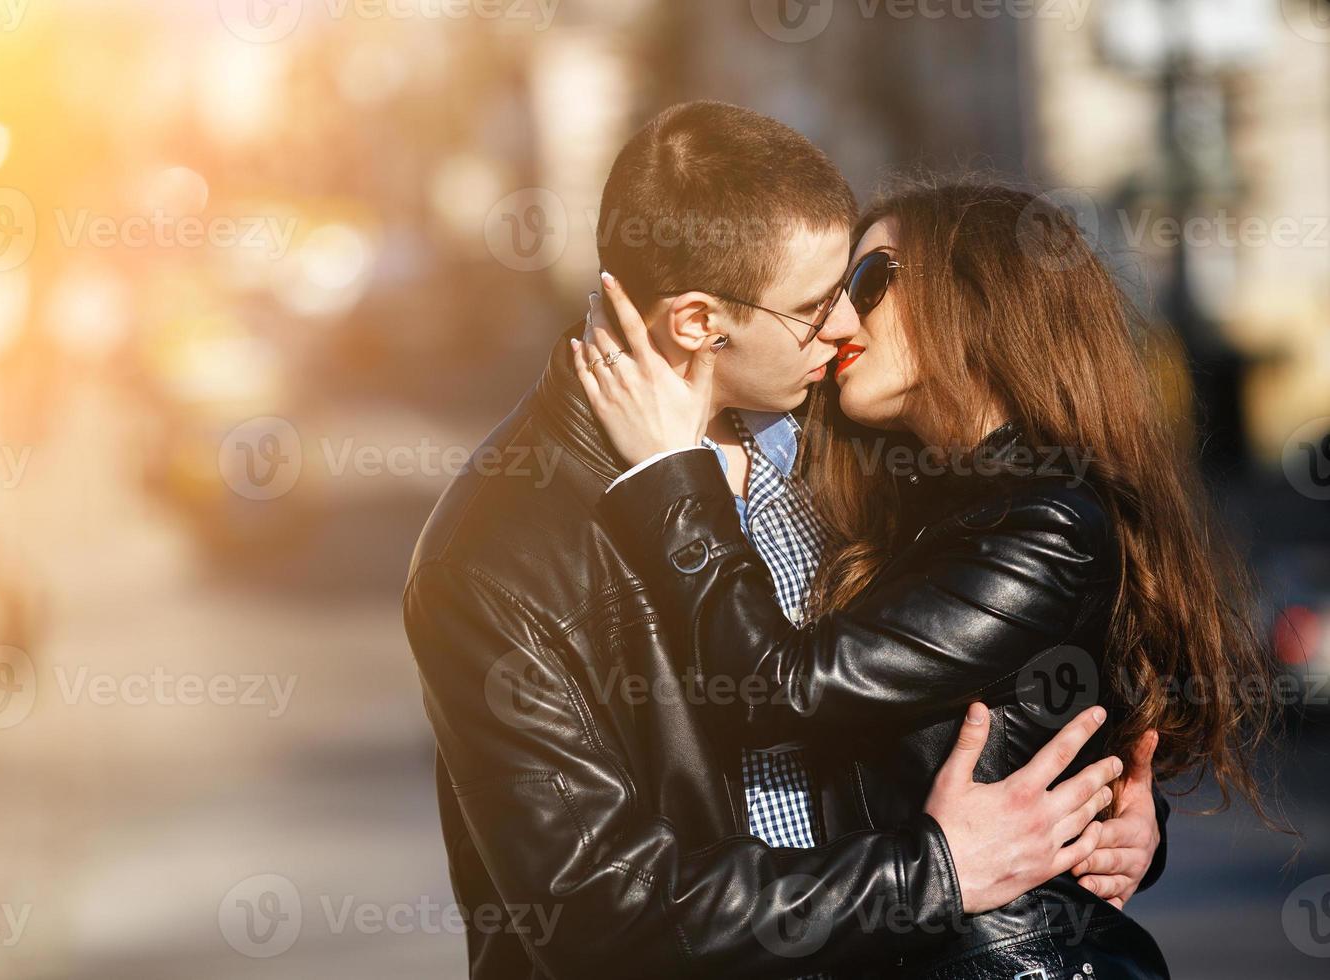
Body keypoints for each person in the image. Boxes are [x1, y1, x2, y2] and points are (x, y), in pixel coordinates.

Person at [405, 104, 1164, 979]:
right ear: (697, 322)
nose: (844, 326)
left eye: (854, 284)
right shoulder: (496, 558)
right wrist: (935, 873)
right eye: (812, 307)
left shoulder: (848, 433)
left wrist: (1112, 815)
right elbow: (598, 914)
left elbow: (1010, 667)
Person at [574, 179, 1283, 978]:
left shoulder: (1049, 522)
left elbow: (783, 688)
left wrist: (669, 476)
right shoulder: (906, 499)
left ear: (978, 300)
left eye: (870, 282)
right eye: (832, 293)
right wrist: (1124, 816)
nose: (838, 319)